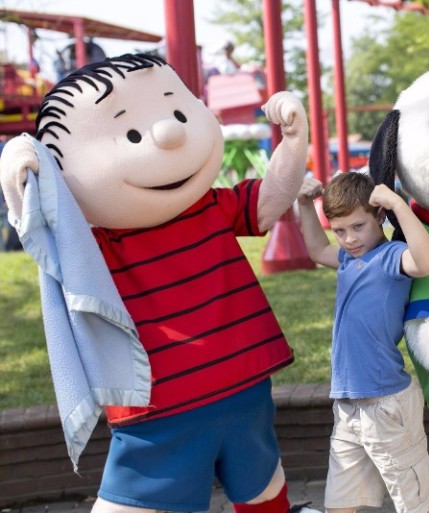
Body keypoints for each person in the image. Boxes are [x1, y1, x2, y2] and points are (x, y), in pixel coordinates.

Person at [0, 54, 317, 513]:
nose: (170, 133)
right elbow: (43, 235)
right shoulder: (96, 244)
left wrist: (292, 141)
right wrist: (16, 173)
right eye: (130, 133)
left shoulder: (210, 205)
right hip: (159, 407)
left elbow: (267, 204)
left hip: (245, 389)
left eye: (179, 111)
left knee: (263, 485)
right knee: (143, 497)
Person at [296, 172, 429, 513]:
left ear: (378, 216)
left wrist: (396, 203)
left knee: (416, 502)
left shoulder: (391, 256)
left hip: (386, 402)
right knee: (340, 503)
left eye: (358, 226)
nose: (349, 239)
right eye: (340, 230)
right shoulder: (349, 259)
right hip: (347, 403)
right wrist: (304, 205)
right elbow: (318, 250)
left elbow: (427, 262)